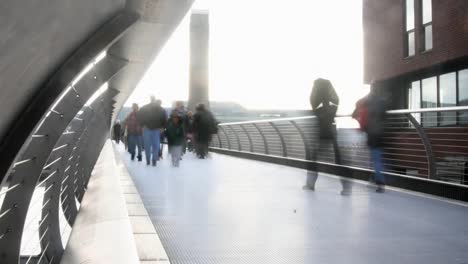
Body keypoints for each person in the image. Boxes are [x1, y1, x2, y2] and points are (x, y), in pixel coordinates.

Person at [305, 78, 351, 195]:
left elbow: (313, 104)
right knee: (338, 160)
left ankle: (310, 184)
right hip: (331, 129)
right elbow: (334, 102)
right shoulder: (333, 100)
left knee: (313, 158)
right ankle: (346, 187)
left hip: (321, 130)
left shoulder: (317, 99)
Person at [352, 88, 387, 193]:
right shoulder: (381, 102)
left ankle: (379, 183)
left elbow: (354, 114)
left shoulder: (364, 102)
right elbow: (384, 116)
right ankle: (374, 179)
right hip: (380, 133)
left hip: (371, 134)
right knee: (376, 158)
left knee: (375, 159)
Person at [137, 96, 167, 166]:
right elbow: (139, 116)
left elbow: (164, 118)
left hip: (154, 129)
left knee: (153, 145)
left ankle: (153, 160)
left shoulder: (159, 109)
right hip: (149, 128)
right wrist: (142, 125)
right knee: (152, 145)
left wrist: (163, 127)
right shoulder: (146, 108)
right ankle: (149, 160)